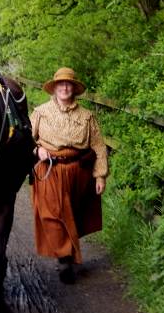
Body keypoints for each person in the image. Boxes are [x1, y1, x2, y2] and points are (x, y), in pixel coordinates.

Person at [30, 67, 108, 284]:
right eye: (60, 84)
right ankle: (65, 258)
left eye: (68, 84)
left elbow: (99, 147)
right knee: (52, 215)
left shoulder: (86, 116)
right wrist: (37, 151)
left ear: (74, 88)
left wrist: (100, 175)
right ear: (54, 88)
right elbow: (26, 139)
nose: (64, 87)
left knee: (72, 215)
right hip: (49, 172)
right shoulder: (40, 112)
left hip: (78, 173)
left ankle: (69, 253)